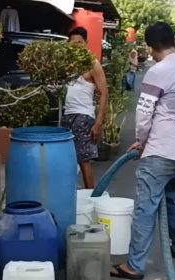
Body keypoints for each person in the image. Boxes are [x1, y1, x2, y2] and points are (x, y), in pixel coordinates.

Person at [110, 22, 175, 280]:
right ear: (174, 39)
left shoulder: (158, 71)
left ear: (149, 46)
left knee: (145, 207)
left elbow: (144, 112)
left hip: (161, 148)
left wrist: (141, 141)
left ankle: (134, 266)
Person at [62, 27, 109, 190]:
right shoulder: (66, 64)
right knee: (68, 158)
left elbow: (104, 93)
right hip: (68, 115)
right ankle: (71, 193)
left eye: (80, 43)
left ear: (86, 43)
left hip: (83, 116)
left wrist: (98, 123)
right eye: (73, 43)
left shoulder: (92, 63)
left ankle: (91, 197)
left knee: (83, 159)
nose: (76, 46)